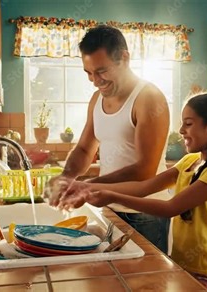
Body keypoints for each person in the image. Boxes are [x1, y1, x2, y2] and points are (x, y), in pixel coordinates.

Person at [58, 92, 207, 292]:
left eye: (188, 124)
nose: (180, 130)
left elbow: (171, 208)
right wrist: (89, 187)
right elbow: (144, 188)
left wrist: (112, 196)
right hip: (183, 261)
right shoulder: (190, 161)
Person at [44, 25, 171, 253]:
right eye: (88, 73)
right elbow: (84, 149)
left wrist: (87, 186)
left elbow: (145, 170)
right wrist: (65, 179)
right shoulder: (96, 100)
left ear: (124, 58)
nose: (95, 81)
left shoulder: (148, 98)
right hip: (108, 207)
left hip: (144, 214)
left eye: (101, 71)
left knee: (147, 285)